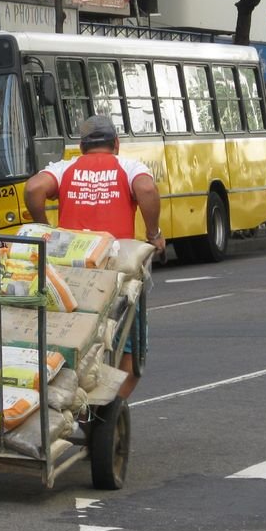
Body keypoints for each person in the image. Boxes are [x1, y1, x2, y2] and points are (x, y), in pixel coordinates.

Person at [24, 114, 166, 399]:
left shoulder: (65, 168)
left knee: (69, 332)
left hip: (70, 273)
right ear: (116, 143)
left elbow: (33, 188)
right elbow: (147, 189)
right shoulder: (128, 167)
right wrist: (154, 233)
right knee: (133, 346)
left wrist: (44, 229)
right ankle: (109, 405)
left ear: (81, 145)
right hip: (114, 272)